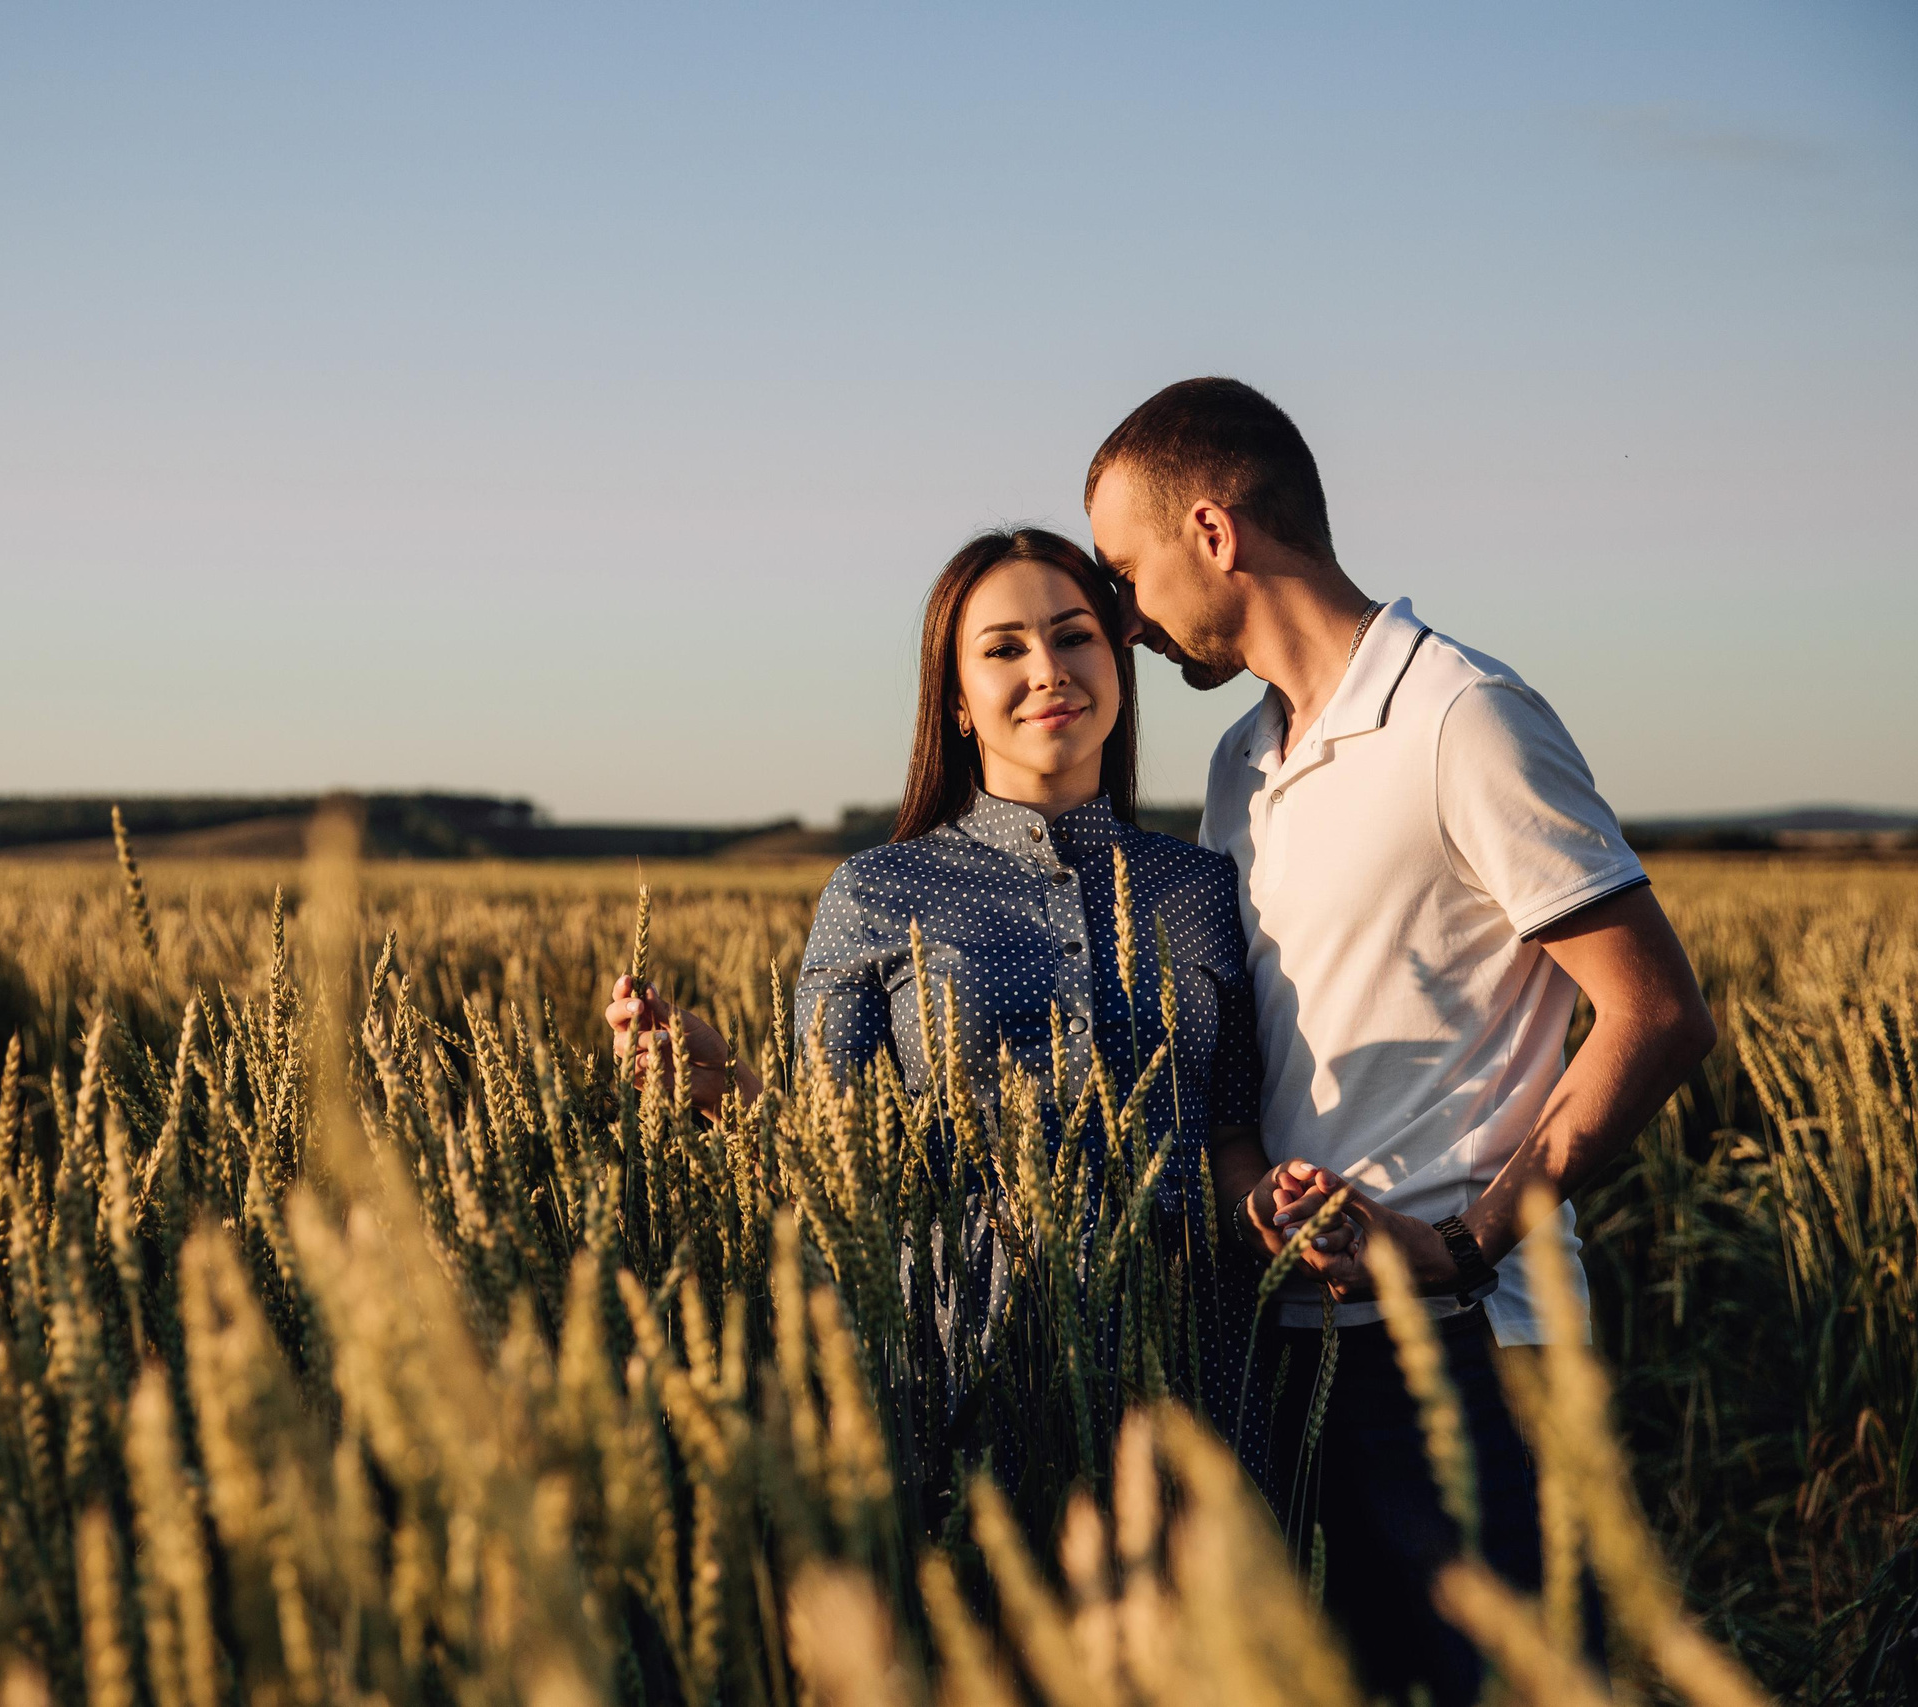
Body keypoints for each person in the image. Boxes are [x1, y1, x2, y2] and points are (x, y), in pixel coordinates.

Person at [1083, 376, 1717, 1706]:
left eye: (1128, 571)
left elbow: (1654, 1010)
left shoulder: (1459, 716)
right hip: (1297, 1344)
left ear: (1214, 531)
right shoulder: (1240, 762)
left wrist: (1466, 1241)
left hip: (1473, 1342)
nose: (1125, 618)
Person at [604, 526, 1347, 1490]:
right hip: (966, 1360)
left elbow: (1229, 1137)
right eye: (1004, 648)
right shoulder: (877, 894)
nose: (1049, 669)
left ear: (1118, 666)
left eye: (1075, 636)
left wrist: (1276, 1206)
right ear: (956, 701)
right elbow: (836, 1161)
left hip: (1192, 1365)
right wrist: (724, 1086)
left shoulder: (1202, 886)